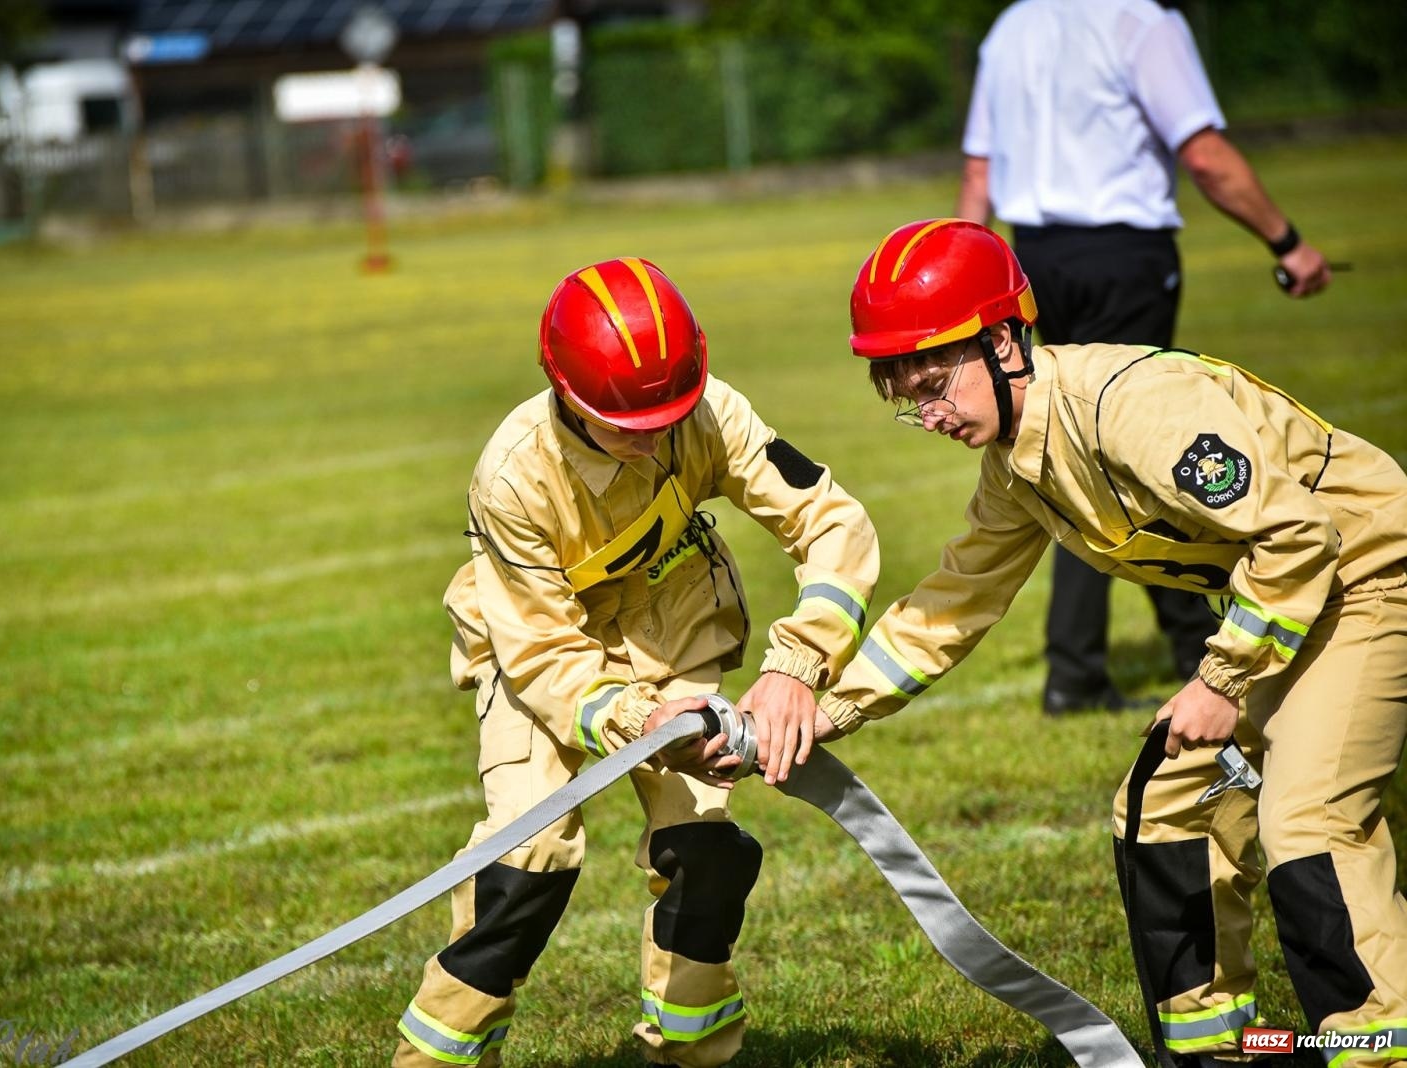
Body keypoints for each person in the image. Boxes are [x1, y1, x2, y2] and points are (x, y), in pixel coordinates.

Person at [800, 219, 1404, 1068]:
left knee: (1306, 819)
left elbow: (1299, 537)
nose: (928, 412)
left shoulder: (1131, 406)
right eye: (907, 395)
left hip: (1367, 575)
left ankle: (1379, 1048)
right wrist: (823, 714)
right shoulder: (1014, 468)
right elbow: (950, 605)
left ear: (1006, 339)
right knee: (1159, 809)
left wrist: (1223, 679)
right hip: (1286, 602)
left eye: (936, 380)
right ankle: (1216, 1050)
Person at [393, 257, 880, 1068]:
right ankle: (436, 1058)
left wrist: (796, 664)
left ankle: (690, 1051)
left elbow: (832, 523)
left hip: (670, 633)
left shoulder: (706, 413)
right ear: (565, 395)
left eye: (671, 412)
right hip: (537, 655)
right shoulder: (512, 477)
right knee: (529, 857)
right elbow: (544, 652)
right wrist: (631, 719)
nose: (656, 434)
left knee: (706, 851)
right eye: (628, 423)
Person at [955, 0, 1335, 716]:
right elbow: (1204, 156)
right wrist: (1289, 243)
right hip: (1123, 254)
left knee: (1061, 444)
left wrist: (964, 296)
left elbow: (979, 172)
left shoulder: (1013, 25)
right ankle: (1195, 653)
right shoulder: (1142, 21)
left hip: (1030, 256)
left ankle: (1080, 666)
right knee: (1142, 447)